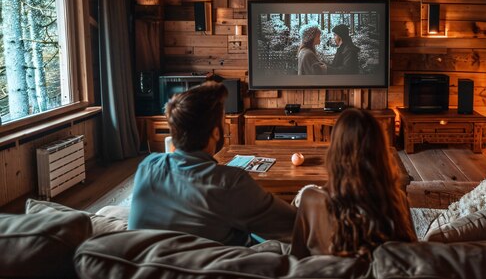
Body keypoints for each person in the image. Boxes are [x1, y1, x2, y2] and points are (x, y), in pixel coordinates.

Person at [128, 82, 296, 245]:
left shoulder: (147, 166)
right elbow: (294, 224)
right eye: (222, 121)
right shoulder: (230, 182)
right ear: (216, 133)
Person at [290, 108, 416, 259]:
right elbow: (411, 258)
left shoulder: (309, 198)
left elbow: (296, 260)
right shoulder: (397, 199)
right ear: (380, 153)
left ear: (335, 151)